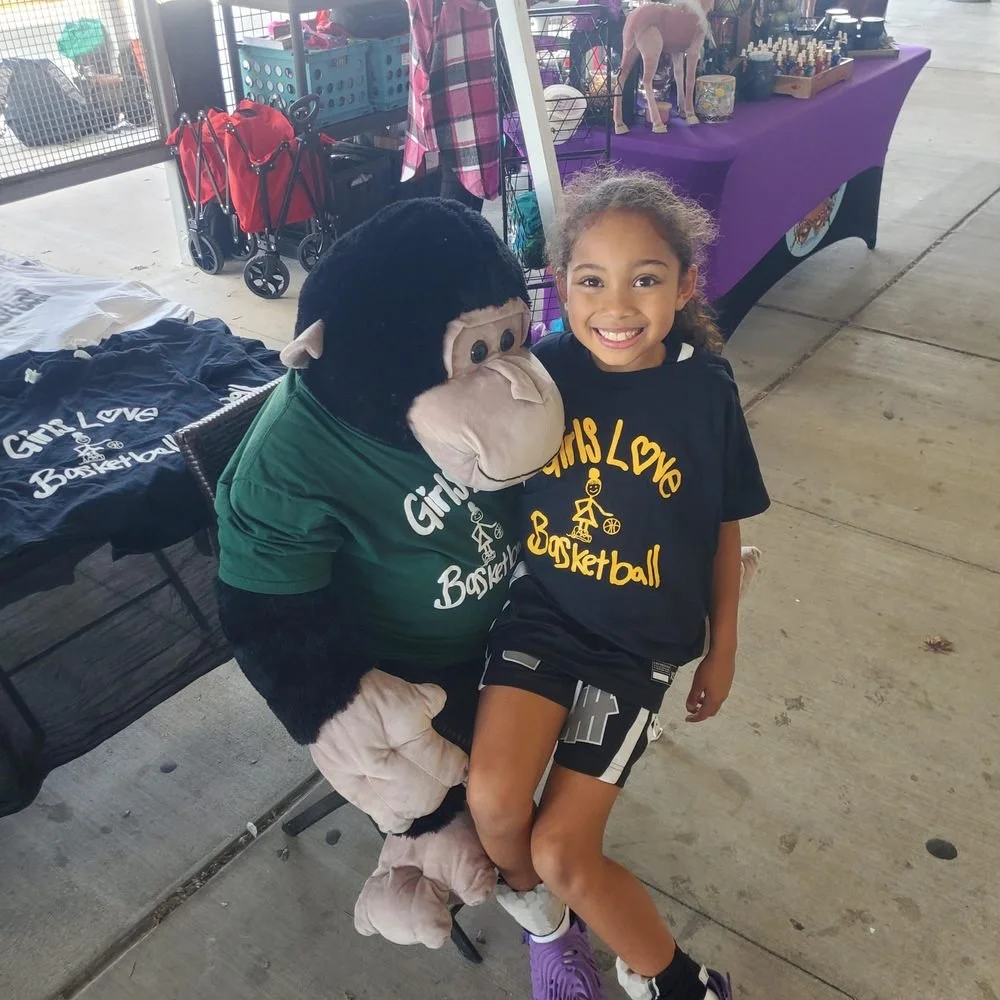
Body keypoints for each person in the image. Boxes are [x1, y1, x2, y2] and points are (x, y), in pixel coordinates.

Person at [467, 167, 771, 1000]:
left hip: (633, 654)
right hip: (542, 618)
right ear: (560, 285)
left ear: (686, 285)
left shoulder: (703, 391)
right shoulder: (536, 377)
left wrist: (723, 648)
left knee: (564, 852)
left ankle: (677, 982)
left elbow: (722, 523)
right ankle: (549, 934)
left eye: (646, 280)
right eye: (591, 280)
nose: (617, 305)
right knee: (494, 802)